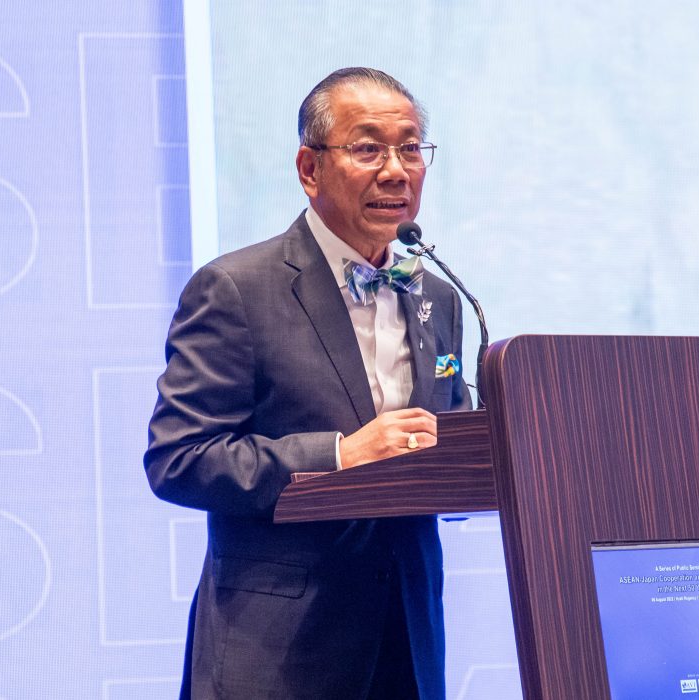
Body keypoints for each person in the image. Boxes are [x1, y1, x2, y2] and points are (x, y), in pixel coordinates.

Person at [145, 67, 471, 699]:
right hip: (277, 655)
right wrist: (340, 455)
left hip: (407, 645)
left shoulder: (438, 296)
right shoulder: (236, 289)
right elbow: (179, 459)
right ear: (309, 168)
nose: (396, 171)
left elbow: (445, 437)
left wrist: (477, 462)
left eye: (411, 148)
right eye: (368, 148)